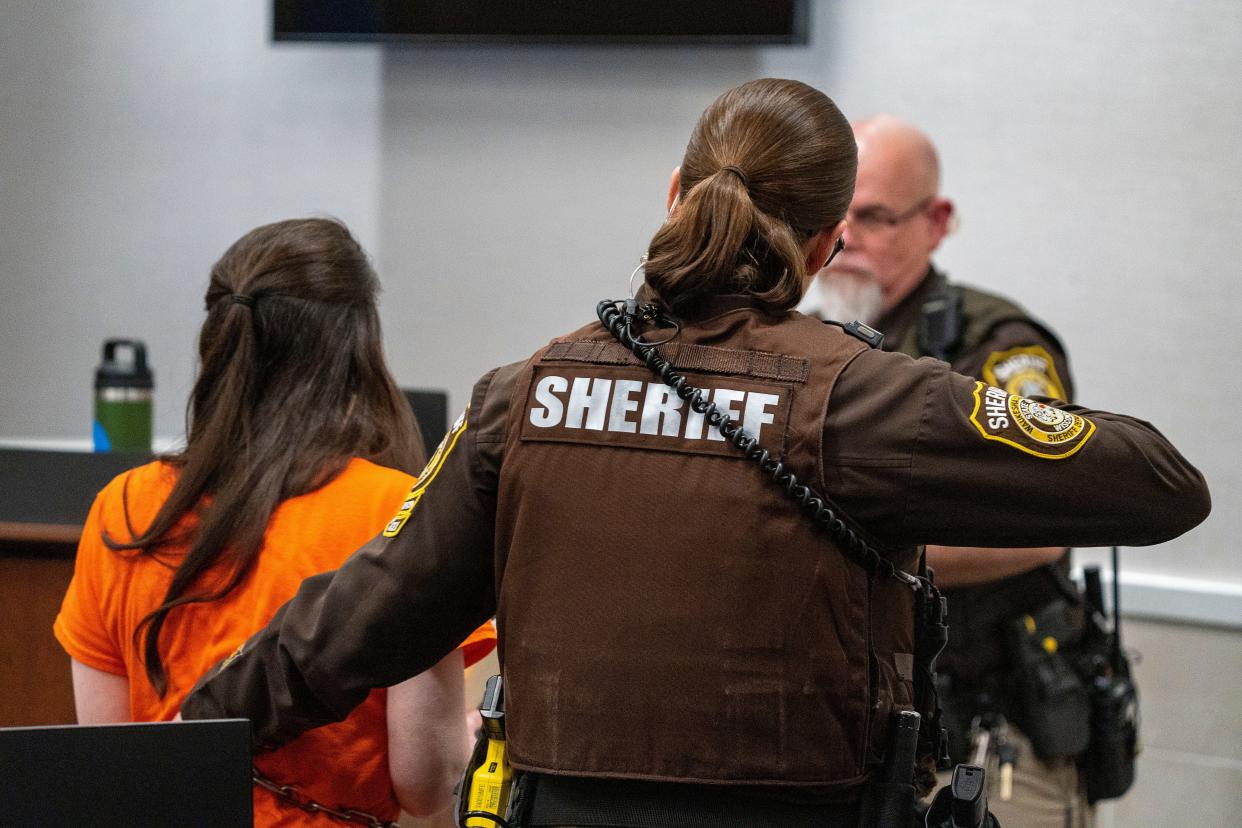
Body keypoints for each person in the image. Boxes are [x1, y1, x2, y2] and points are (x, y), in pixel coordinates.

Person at [180, 80, 1209, 828]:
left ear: (674, 192)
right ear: (826, 245)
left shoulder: (528, 393)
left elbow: (349, 625)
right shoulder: (867, 401)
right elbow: (1164, 486)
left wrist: (181, 736)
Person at [54, 218, 496, 826]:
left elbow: (106, 767)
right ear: (357, 347)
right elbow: (424, 782)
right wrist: (466, 741)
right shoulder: (396, 512)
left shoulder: (127, 508)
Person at [799, 115, 1095, 827]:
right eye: (831, 217)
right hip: (845, 726)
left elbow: (1042, 527)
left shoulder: (996, 349)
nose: (846, 240)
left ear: (937, 222)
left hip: (990, 729)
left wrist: (846, 547)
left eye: (873, 217)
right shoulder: (799, 337)